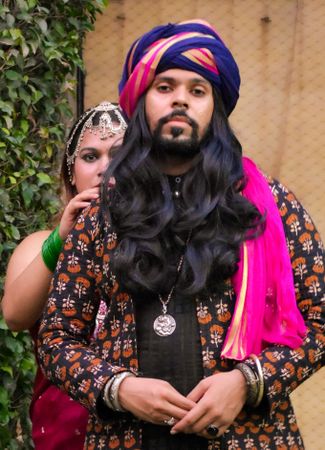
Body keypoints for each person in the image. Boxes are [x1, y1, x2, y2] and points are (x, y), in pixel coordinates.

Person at [38, 20, 324, 450]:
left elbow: (320, 319)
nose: (180, 101)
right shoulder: (102, 213)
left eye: (197, 90)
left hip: (248, 438)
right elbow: (57, 335)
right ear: (141, 102)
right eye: (165, 86)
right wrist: (117, 388)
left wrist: (248, 382)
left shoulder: (266, 205)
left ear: (215, 108)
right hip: (125, 438)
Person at [1, 101, 127, 449]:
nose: (104, 168)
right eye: (90, 156)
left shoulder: (161, 245)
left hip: (141, 425)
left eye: (118, 154)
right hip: (64, 432)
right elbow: (14, 315)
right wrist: (63, 239)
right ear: (71, 173)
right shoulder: (42, 244)